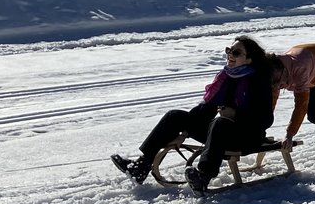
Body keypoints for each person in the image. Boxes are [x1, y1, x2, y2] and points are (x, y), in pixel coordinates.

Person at [112, 36, 275, 191]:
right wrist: (184, 132)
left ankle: (203, 176)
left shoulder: (259, 81)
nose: (230, 55)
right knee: (175, 116)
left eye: (236, 53)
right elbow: (206, 110)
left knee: (219, 123)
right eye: (229, 50)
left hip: (247, 137)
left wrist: (235, 115)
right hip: (221, 134)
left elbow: (266, 119)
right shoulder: (226, 78)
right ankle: (141, 167)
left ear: (249, 59)